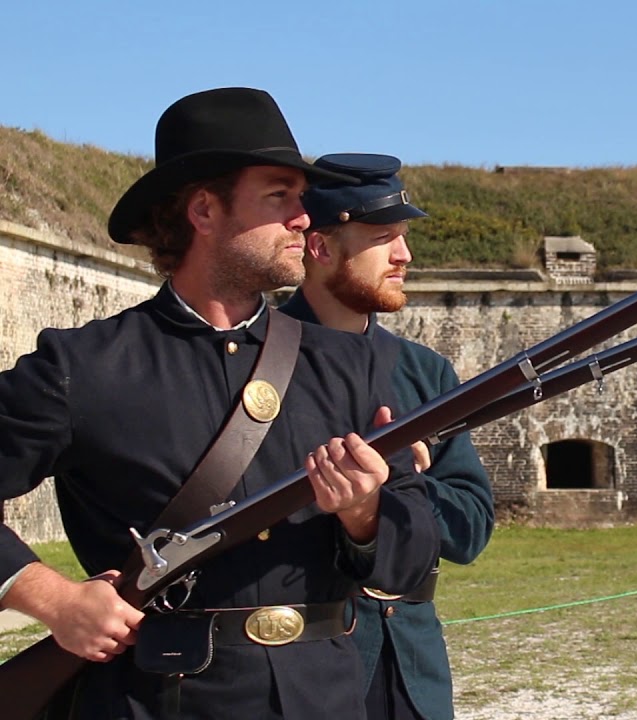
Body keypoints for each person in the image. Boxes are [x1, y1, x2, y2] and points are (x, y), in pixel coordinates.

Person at [0, 88, 440, 719]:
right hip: (156, 700)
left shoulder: (351, 363)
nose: (303, 219)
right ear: (204, 211)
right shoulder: (83, 367)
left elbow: (415, 559)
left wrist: (365, 514)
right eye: (279, 196)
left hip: (326, 698)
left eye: (302, 199)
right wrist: (52, 599)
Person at [278, 153, 494, 720]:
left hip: (413, 667)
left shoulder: (425, 373)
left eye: (402, 236)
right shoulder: (255, 364)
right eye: (383, 238)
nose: (405, 255)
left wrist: (407, 480)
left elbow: (470, 530)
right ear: (320, 248)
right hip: (309, 665)